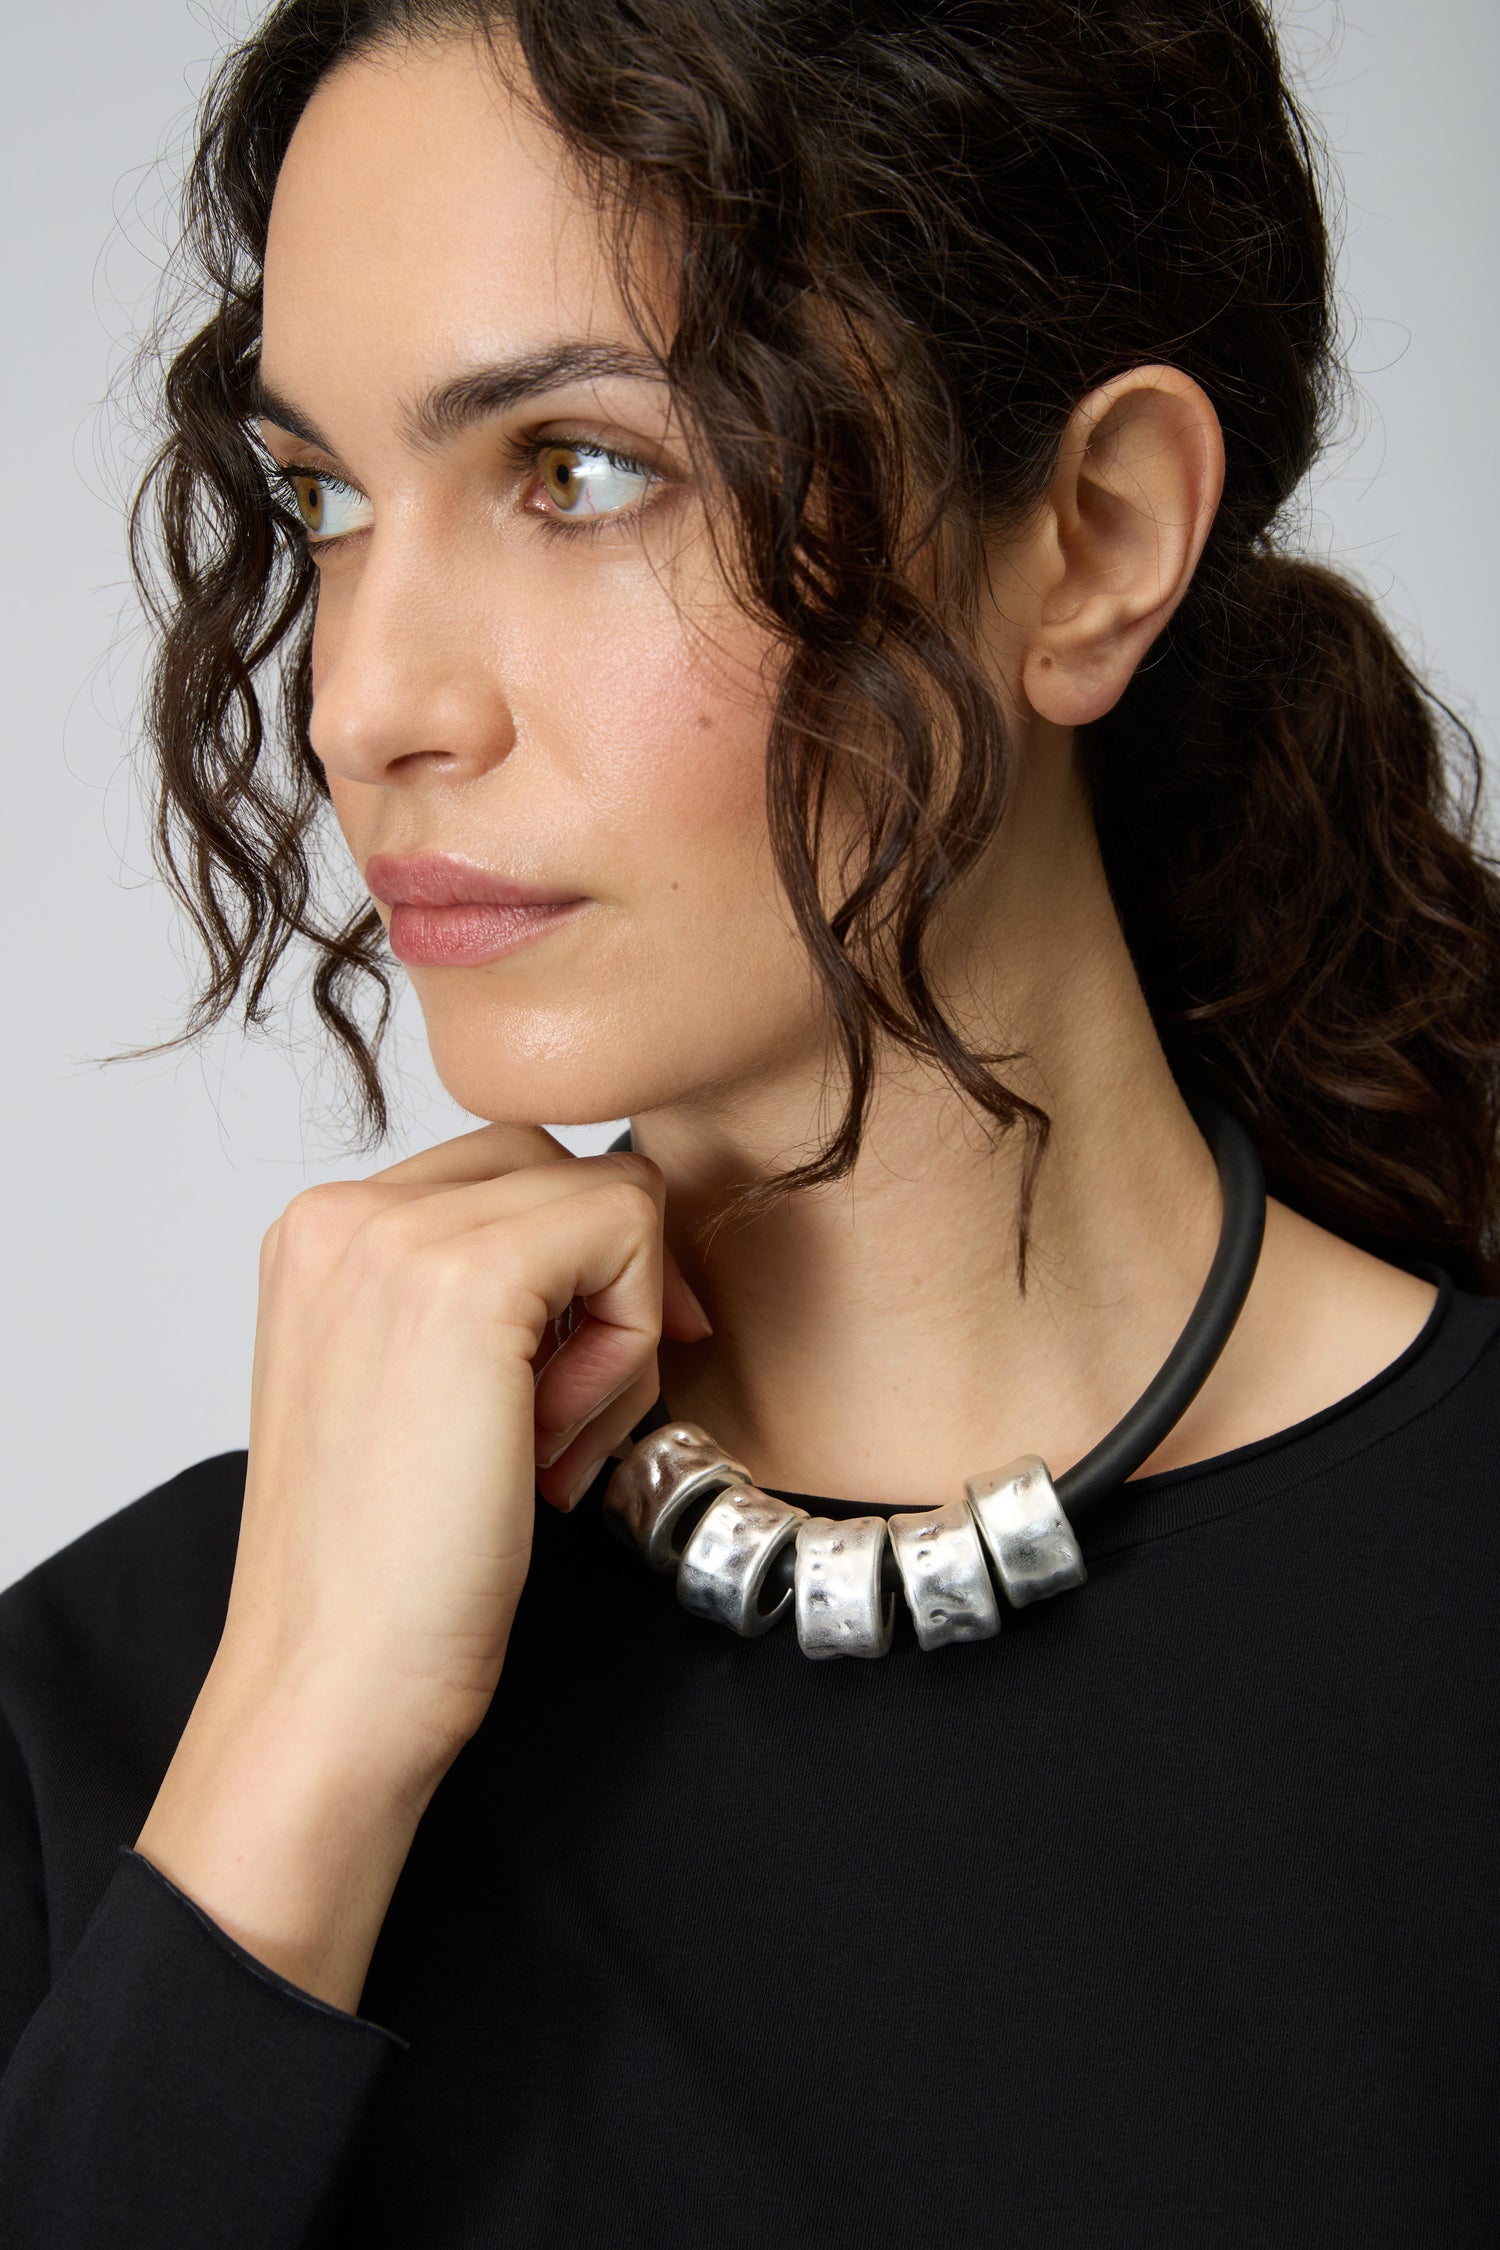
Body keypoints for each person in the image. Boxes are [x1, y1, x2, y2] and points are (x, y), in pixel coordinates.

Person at [1, 0, 1496, 2241]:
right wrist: (291, 1763)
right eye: (320, 496)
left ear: (1090, 537)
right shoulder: (145, 1714)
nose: (365, 701)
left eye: (579, 469)